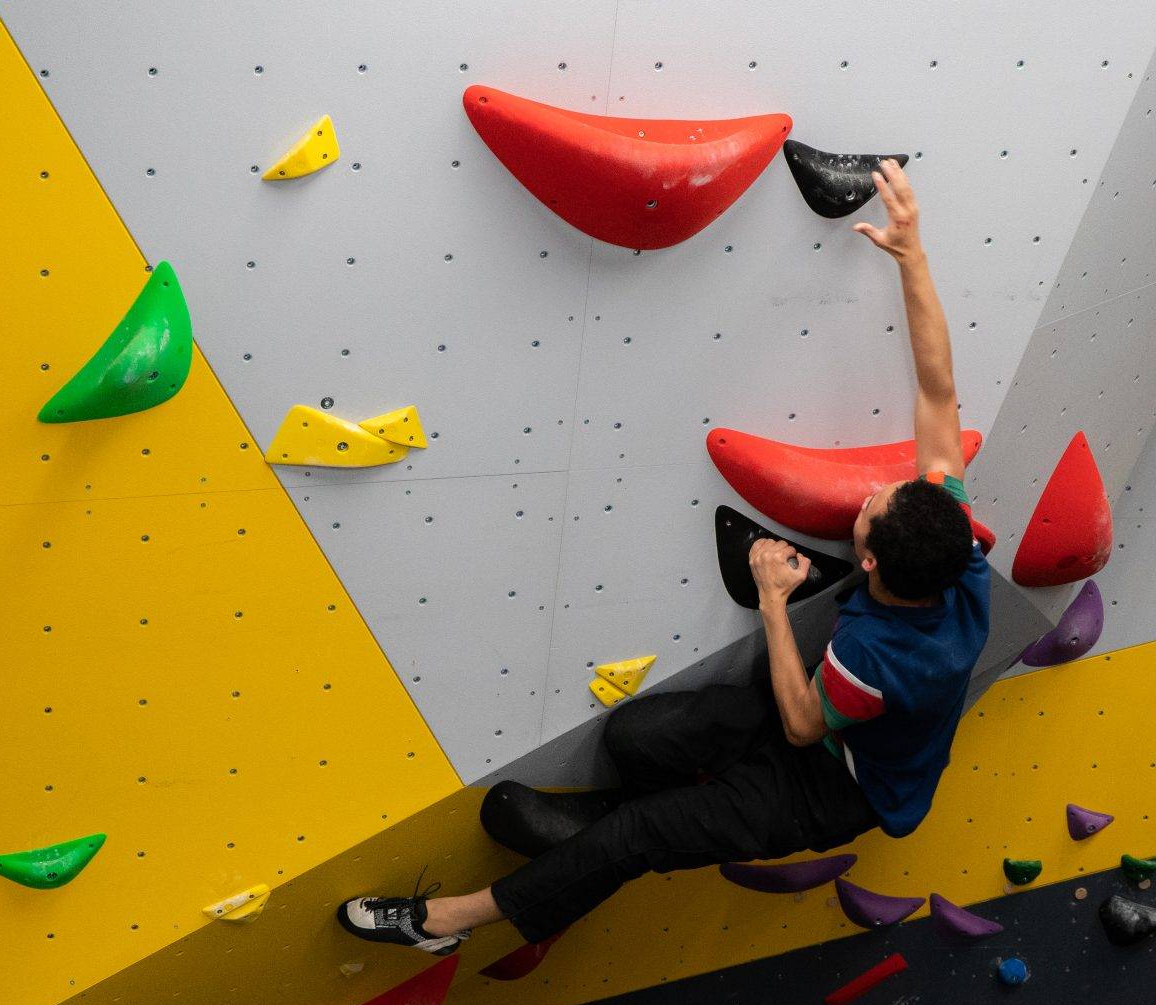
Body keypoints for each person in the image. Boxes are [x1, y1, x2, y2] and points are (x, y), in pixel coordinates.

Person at [337, 160, 990, 956]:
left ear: (879, 570)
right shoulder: (951, 546)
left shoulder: (876, 656)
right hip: (839, 729)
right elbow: (936, 389)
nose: (863, 503)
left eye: (866, 518)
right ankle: (592, 841)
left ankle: (444, 923)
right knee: (638, 739)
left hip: (829, 784)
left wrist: (776, 600)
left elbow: (801, 720)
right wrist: (912, 254)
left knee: (641, 838)